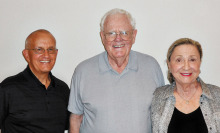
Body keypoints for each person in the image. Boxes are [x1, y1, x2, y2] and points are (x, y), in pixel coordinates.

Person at [68, 8, 164, 133]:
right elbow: (76, 118)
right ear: (102, 37)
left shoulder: (152, 67)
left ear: (134, 36)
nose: (118, 39)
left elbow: (162, 116)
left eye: (124, 32)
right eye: (111, 33)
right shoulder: (83, 71)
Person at [0, 29, 70, 133]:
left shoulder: (63, 89)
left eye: (51, 49)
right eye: (39, 49)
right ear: (26, 54)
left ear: (56, 53)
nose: (46, 55)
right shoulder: (8, 88)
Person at [151, 38, 220, 133]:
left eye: (192, 60)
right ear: (169, 65)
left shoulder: (217, 96)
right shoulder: (157, 96)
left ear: (199, 63)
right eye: (179, 60)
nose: (186, 67)